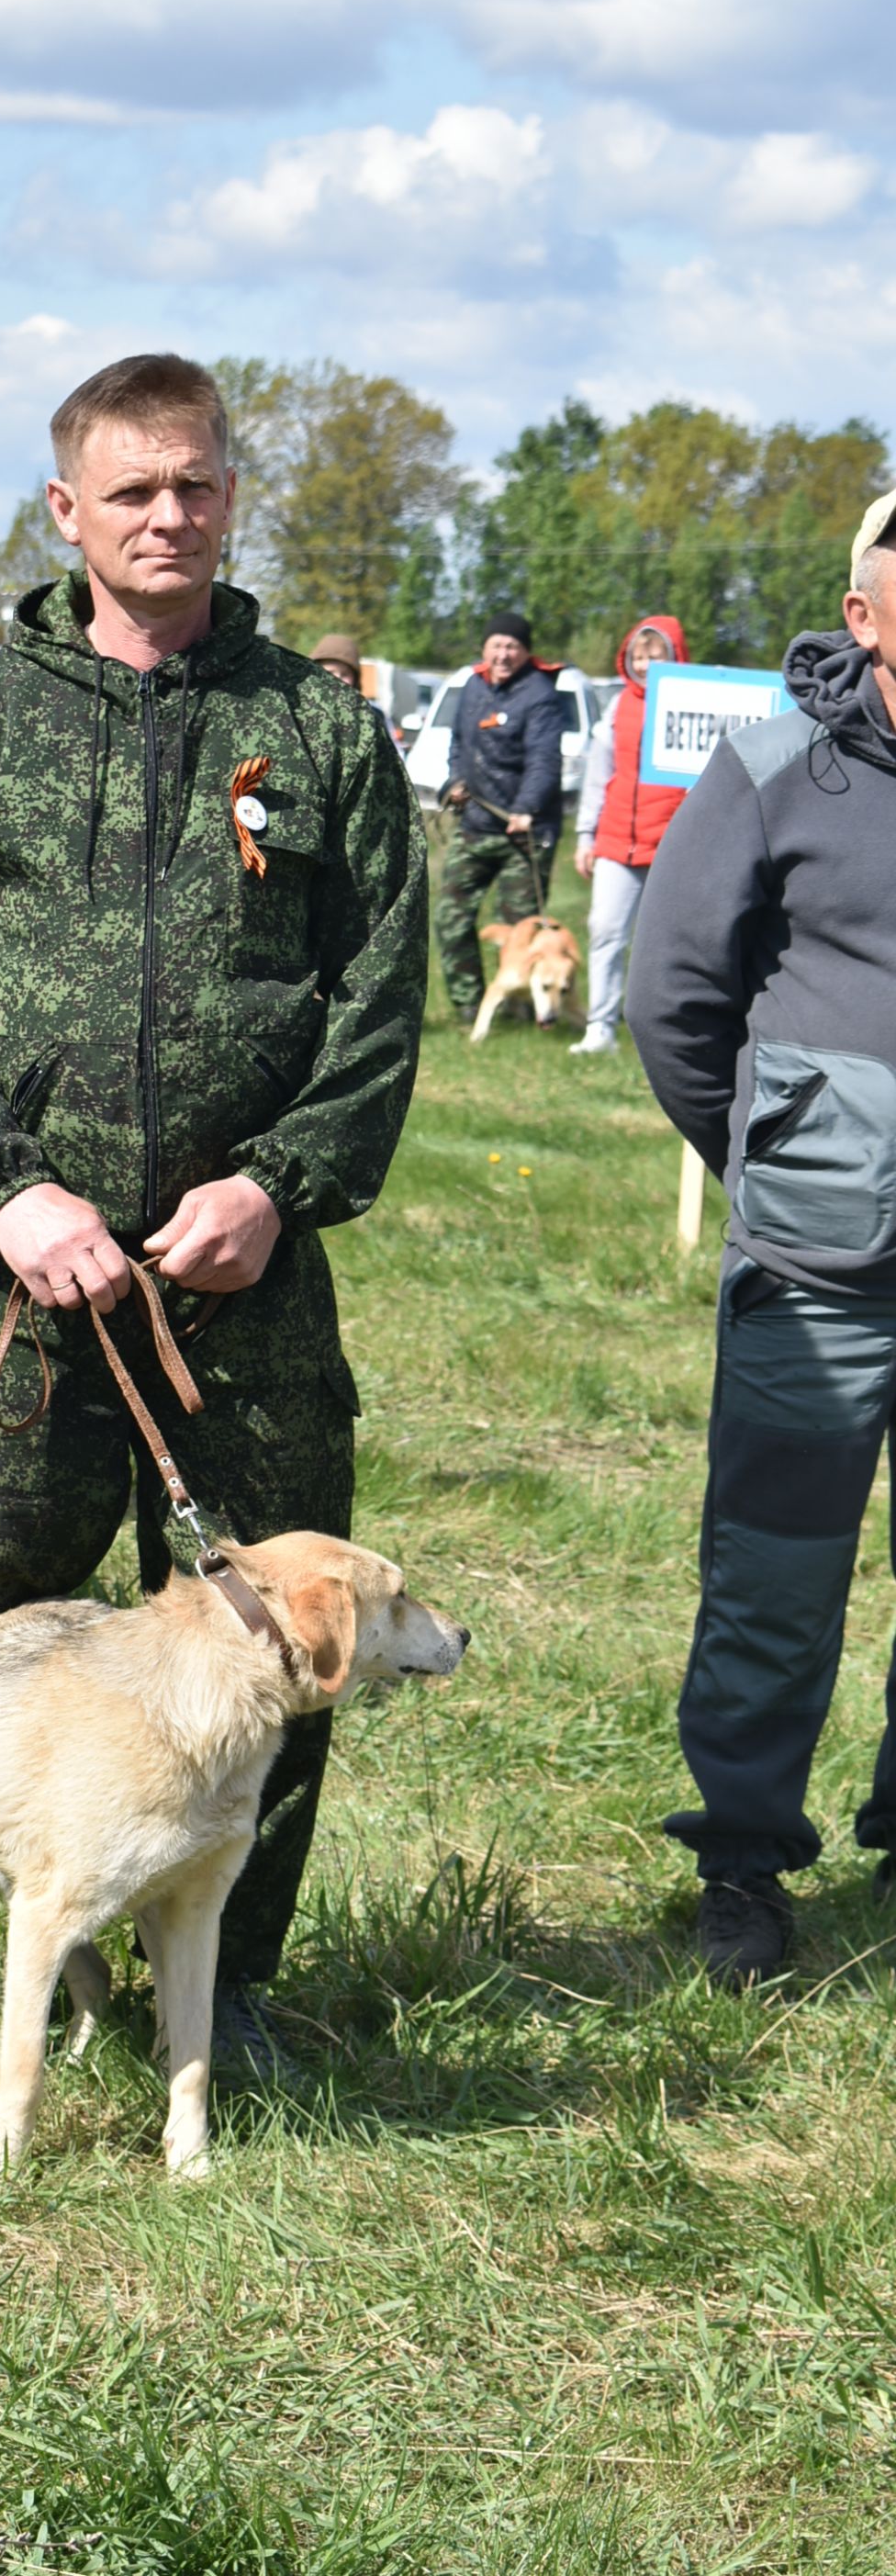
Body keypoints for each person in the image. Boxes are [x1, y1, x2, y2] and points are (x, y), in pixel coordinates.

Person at [0, 352, 427, 2107]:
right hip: (8, 1292)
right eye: (136, 488)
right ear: (68, 510)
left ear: (233, 498)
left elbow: (380, 1001)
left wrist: (279, 1182)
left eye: (199, 484)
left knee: (277, 1650)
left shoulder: (315, 729)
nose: (171, 514)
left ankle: (214, 1980)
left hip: (238, 1294)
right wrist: (6, 1184)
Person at [629, 489, 896, 1983]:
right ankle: (743, 1867)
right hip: (818, 1264)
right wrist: (774, 1152)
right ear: (861, 617)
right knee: (777, 1573)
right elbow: (676, 992)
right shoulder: (776, 766)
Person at [434, 613, 565, 1023]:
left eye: (513, 646)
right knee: (450, 918)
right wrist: (454, 783)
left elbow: (545, 762)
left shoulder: (540, 694)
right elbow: (458, 745)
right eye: (497, 644)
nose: (503, 653)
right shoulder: (473, 687)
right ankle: (469, 1006)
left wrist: (526, 808)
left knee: (521, 933)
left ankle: (520, 1011)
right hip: (475, 826)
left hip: (523, 834)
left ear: (526, 653)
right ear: (484, 648)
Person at [569, 614, 689, 1057]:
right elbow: (597, 777)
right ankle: (600, 1028)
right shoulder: (617, 707)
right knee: (605, 931)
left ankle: (665, 1033)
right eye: (638, 655)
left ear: (674, 655)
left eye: (654, 654)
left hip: (674, 847)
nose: (644, 663)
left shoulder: (698, 702)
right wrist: (586, 836)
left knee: (666, 945)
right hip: (618, 842)